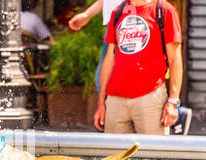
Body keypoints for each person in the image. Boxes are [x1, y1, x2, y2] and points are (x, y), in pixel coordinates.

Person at [94, 0, 183, 134]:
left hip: (151, 98)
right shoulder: (117, 12)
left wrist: (173, 101)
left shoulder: (165, 10)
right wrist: (101, 103)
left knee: (152, 153)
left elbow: (175, 59)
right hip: (115, 100)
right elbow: (109, 59)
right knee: (116, 153)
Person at [68, 0, 123, 93]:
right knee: (103, 81)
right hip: (114, 25)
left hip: (129, 24)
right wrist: (87, 14)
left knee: (106, 81)